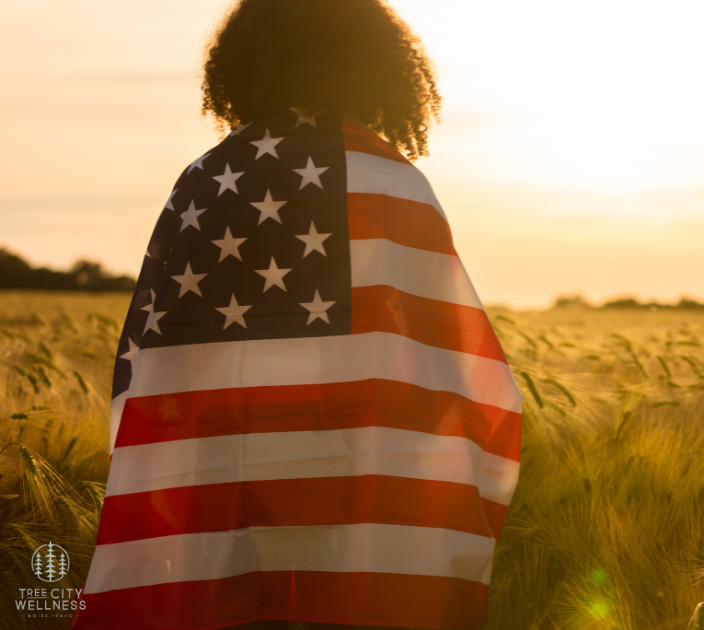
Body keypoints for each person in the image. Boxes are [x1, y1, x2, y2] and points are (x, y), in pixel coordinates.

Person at [72, 2, 524, 629]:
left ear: (242, 64)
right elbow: (453, 372)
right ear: (377, 64)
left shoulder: (203, 183)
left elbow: (151, 367)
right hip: (354, 483)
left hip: (218, 493)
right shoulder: (392, 182)